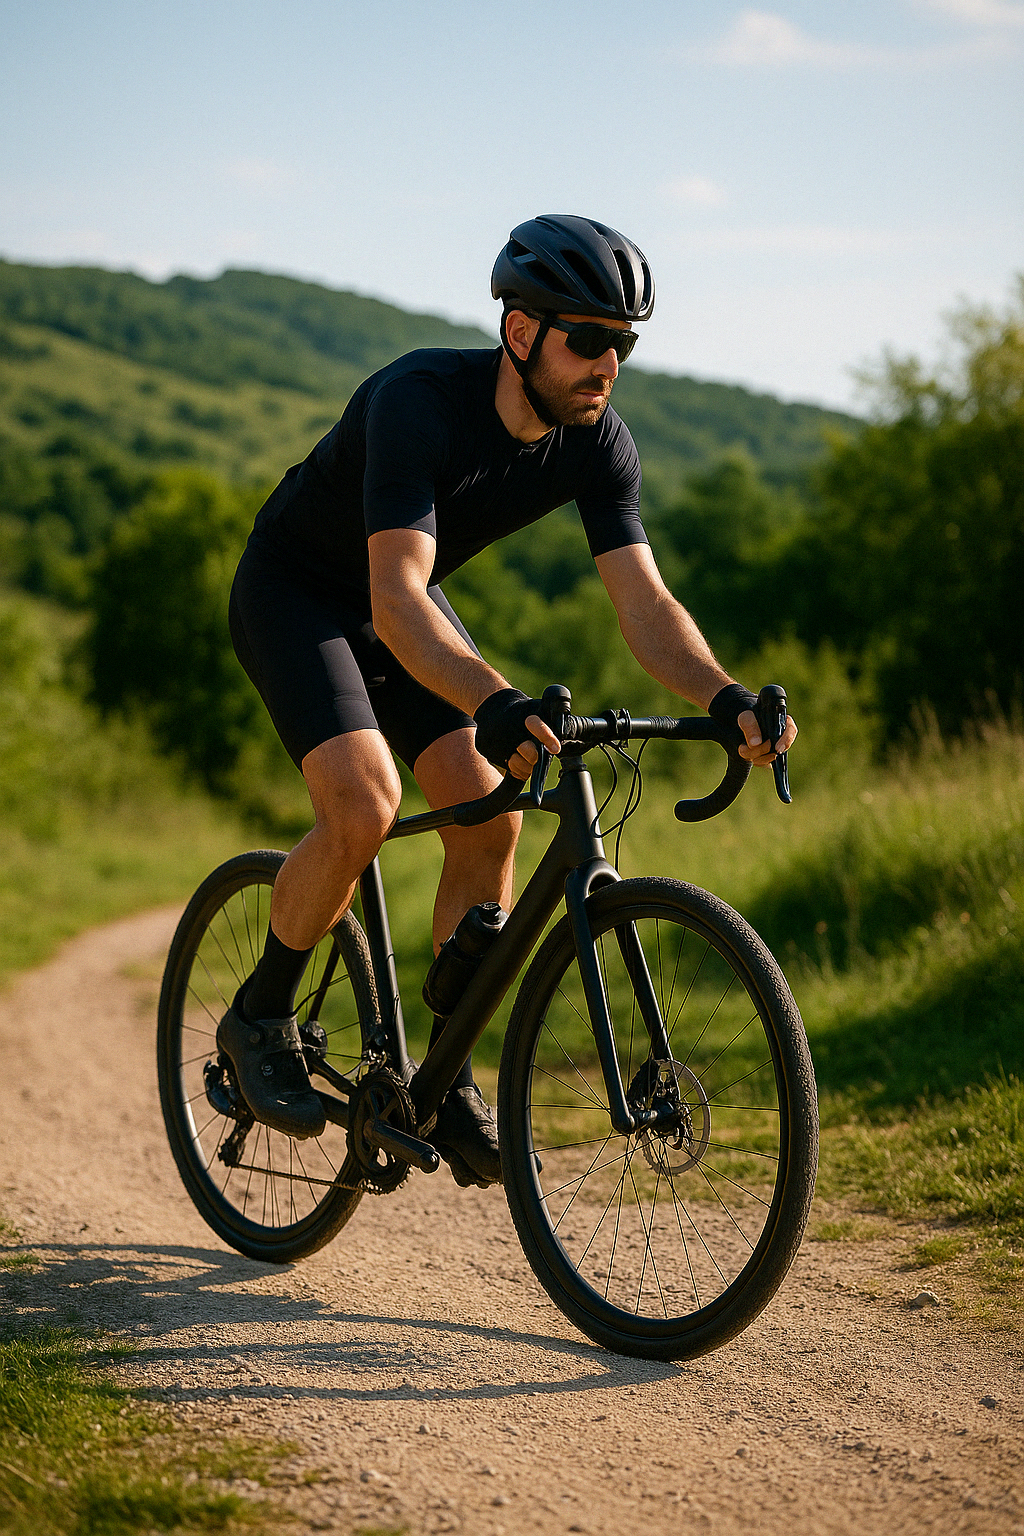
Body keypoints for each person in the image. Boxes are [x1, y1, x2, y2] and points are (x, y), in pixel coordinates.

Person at [221, 214, 798, 1187]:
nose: (608, 363)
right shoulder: (419, 400)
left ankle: (440, 1085)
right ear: (521, 331)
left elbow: (646, 605)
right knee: (364, 804)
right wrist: (492, 697)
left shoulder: (596, 443)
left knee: (490, 823)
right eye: (588, 338)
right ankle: (259, 1017)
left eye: (624, 343)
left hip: (400, 607)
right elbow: (396, 595)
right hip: (300, 593)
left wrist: (725, 696)